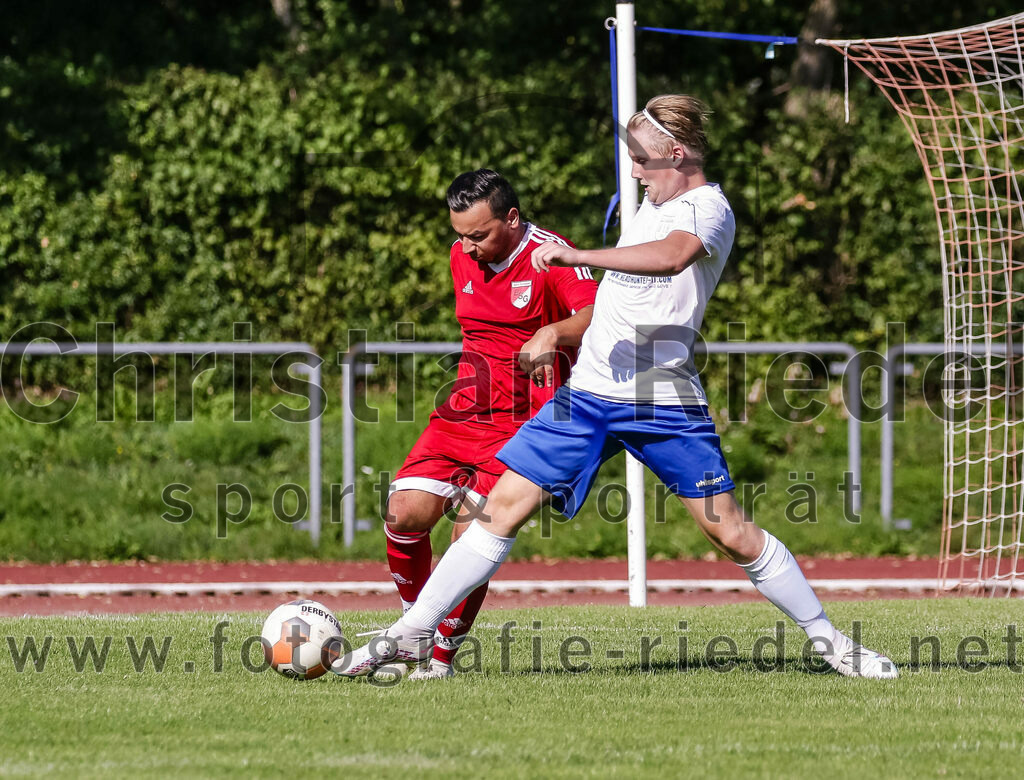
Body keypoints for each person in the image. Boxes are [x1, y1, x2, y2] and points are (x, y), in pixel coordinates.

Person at [335, 96, 898, 680]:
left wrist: (576, 255)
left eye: (641, 159)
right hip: (587, 394)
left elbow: (671, 258)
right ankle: (411, 634)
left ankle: (832, 642)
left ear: (675, 154)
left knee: (729, 531)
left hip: (661, 400)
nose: (633, 171)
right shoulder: (652, 200)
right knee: (498, 511)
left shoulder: (708, 208)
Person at [377, 169, 597, 679]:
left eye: (478, 235)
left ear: (512, 218)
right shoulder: (462, 255)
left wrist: (553, 333)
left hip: (523, 425)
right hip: (462, 413)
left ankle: (439, 662)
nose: (468, 247)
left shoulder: (551, 255)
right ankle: (414, 631)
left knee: (468, 542)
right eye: (460, 235)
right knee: (402, 514)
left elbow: (598, 314)